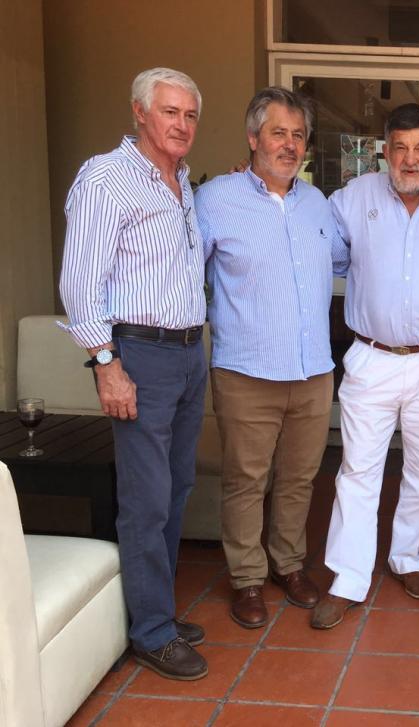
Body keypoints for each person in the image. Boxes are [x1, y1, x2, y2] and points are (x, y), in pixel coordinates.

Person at [59, 68, 209, 680]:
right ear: (139, 113)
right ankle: (151, 633)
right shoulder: (106, 178)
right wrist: (106, 364)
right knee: (145, 500)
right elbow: (79, 283)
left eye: (190, 115)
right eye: (170, 112)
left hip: (188, 353)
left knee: (174, 489)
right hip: (140, 354)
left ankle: (156, 610)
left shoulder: (181, 183)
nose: (181, 124)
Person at [312, 104, 419, 629]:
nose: (411, 159)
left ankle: (408, 557)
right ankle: (348, 578)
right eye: (400, 148)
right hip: (371, 357)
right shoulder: (350, 199)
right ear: (384, 152)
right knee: (357, 471)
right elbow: (305, 234)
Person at [195, 87, 349, 629]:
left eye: (298, 135)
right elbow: (187, 274)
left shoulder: (318, 204)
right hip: (247, 371)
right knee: (245, 480)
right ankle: (247, 579)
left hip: (312, 371)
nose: (289, 144)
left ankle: (288, 564)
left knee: (300, 478)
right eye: (278, 133)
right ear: (253, 138)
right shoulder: (214, 200)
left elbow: (344, 262)